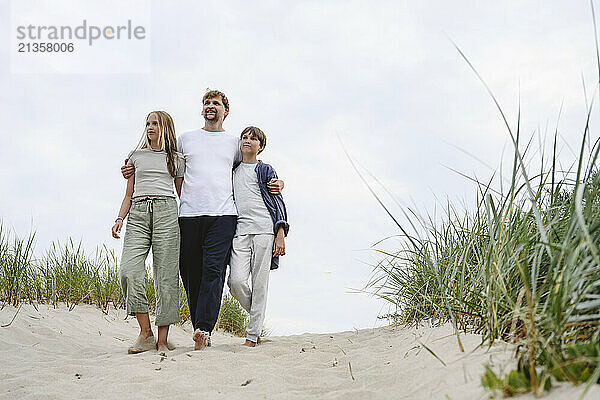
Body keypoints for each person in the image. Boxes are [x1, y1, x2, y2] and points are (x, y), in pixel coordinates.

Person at [121, 90, 283, 350]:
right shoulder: (185, 139)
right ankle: (200, 329)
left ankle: (203, 329)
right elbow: (160, 158)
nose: (211, 106)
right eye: (207, 103)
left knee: (214, 272)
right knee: (190, 274)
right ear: (202, 109)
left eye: (216, 103)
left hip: (223, 215)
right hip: (188, 215)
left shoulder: (234, 143)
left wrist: (277, 181)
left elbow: (253, 166)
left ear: (225, 110)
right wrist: (131, 169)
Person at [112, 111, 184, 354]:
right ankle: (145, 333)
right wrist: (120, 218)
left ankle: (163, 340)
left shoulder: (175, 158)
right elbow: (128, 193)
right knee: (128, 271)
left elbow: (182, 194)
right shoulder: (135, 156)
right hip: (139, 213)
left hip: (166, 211)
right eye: (147, 123)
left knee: (166, 275)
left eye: (155, 123)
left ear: (165, 127)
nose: (150, 127)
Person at [227, 126, 289, 347]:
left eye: (253, 139)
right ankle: (257, 315)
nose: (248, 141)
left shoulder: (265, 170)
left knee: (260, 284)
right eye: (244, 137)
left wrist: (280, 233)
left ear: (260, 146)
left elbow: (278, 202)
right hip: (240, 231)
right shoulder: (232, 169)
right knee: (235, 282)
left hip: (264, 230)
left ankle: (252, 336)